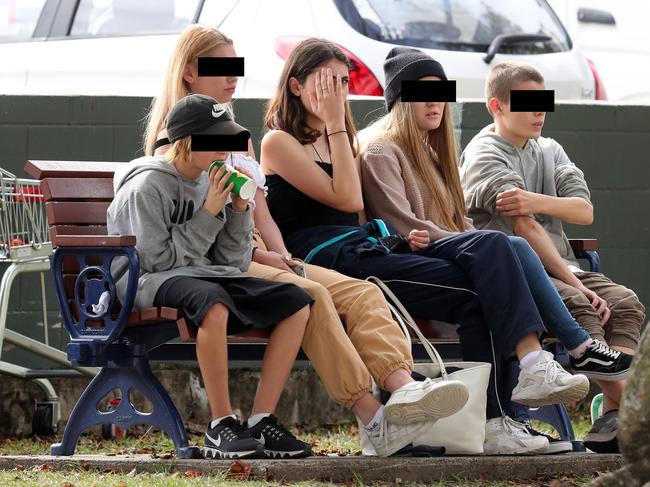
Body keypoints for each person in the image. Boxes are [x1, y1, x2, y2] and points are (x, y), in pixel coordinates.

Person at [143, 25, 470, 458]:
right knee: (311, 295)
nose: (232, 76)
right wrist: (263, 253)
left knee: (362, 293)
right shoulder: (182, 140)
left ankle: (402, 388)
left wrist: (280, 253)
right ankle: (374, 419)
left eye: (235, 67)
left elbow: (260, 212)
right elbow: (201, 233)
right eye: (221, 67)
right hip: (222, 263)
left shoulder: (237, 139)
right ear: (188, 74)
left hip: (259, 252)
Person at [260, 37, 591, 455]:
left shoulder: (343, 141)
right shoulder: (279, 142)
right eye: (327, 82)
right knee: (488, 257)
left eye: (344, 82)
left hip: (371, 251)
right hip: (331, 262)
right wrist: (336, 122)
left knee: (485, 277)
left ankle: (500, 416)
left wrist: (399, 240)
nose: (337, 93)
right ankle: (518, 386)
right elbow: (346, 199)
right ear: (295, 86)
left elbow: (361, 219)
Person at [358, 47, 635, 454]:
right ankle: (564, 361)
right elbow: (405, 225)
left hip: (457, 256)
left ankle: (537, 403)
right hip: (413, 262)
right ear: (399, 100)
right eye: (422, 94)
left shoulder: (436, 155)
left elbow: (580, 211)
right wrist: (477, 241)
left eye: (441, 93)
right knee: (505, 247)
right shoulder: (381, 150)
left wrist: (481, 236)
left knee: (518, 256)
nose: (435, 102)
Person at [108, 93, 314, 459]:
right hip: (146, 281)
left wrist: (237, 212)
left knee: (296, 303)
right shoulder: (145, 187)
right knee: (213, 303)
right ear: (186, 142)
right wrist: (207, 213)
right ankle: (221, 424)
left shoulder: (209, 181)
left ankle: (261, 420)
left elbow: (232, 263)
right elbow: (154, 261)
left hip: (200, 276)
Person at [459, 60, 645, 453]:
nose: (539, 111)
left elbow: (584, 210)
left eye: (543, 102)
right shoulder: (484, 152)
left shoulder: (550, 148)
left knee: (626, 303)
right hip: (517, 275)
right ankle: (627, 405)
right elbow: (525, 228)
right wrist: (575, 281)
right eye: (527, 103)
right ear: (496, 106)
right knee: (582, 304)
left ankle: (613, 405)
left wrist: (533, 199)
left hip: (563, 265)